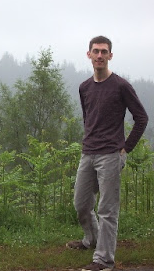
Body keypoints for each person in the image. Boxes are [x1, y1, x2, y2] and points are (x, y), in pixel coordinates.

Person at [66, 36, 148, 271]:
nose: (100, 55)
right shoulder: (84, 87)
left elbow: (141, 117)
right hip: (88, 152)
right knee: (81, 203)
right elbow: (88, 117)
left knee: (107, 209)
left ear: (110, 56)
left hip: (111, 155)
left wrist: (126, 147)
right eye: (96, 51)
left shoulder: (121, 86)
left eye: (104, 52)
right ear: (89, 55)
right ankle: (90, 240)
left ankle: (103, 260)